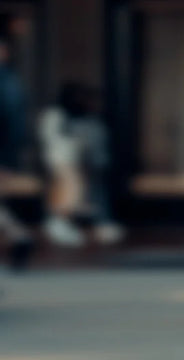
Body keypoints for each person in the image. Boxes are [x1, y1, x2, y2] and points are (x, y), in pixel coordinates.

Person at [37, 81, 124, 247]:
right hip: (63, 160)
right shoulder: (56, 115)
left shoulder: (85, 118)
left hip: (75, 160)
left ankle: (81, 224)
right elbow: (55, 140)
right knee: (69, 192)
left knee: (80, 193)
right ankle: (59, 224)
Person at [0, 30, 34, 269]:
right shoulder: (10, 82)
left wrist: (7, 160)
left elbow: (13, 126)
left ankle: (19, 236)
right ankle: (19, 236)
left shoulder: (7, 84)